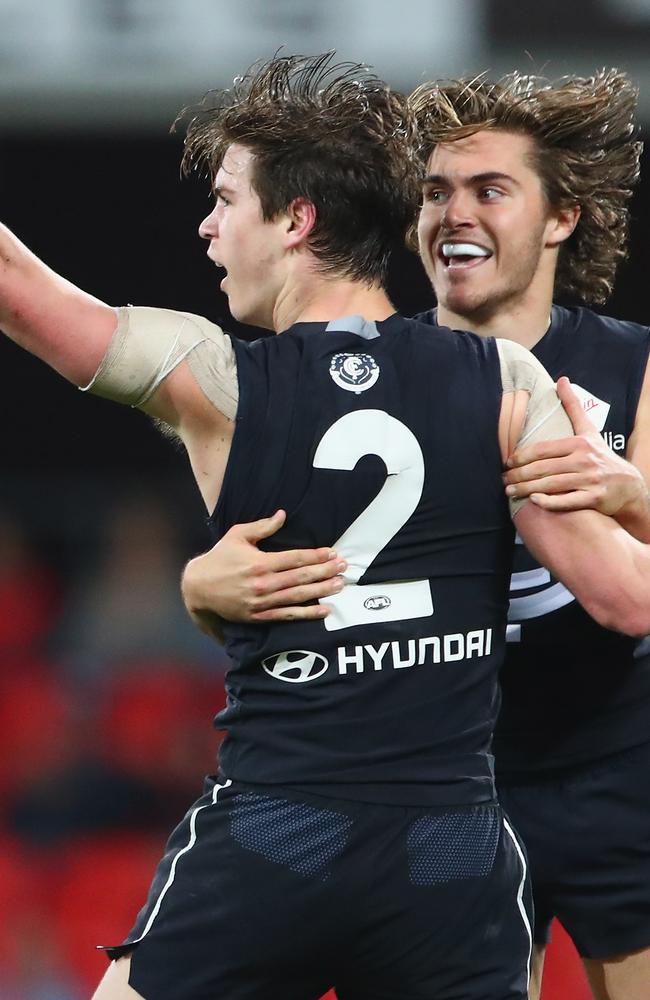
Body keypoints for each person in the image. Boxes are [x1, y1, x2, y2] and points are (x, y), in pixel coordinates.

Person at [1, 55, 650, 1000]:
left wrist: (199, 589)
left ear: (297, 220)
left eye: (226, 200)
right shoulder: (506, 382)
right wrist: (619, 496)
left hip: (281, 836)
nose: (207, 227)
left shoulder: (223, 381)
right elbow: (627, 599)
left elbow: (24, 294)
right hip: (452, 854)